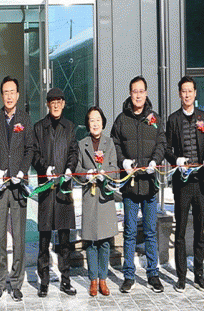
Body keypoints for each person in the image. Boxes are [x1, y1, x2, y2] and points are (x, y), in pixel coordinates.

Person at [110, 76, 165, 294]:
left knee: (150, 232)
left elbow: (161, 143)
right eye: (135, 91)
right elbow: (115, 143)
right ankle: (129, 275)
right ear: (130, 93)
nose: (138, 95)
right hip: (130, 187)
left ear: (146, 93)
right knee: (130, 232)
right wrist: (123, 161)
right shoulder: (121, 119)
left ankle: (153, 274)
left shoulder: (154, 118)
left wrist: (155, 161)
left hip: (149, 184)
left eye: (142, 91)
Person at [0, 76, 34, 302]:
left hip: (17, 185)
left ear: (18, 94)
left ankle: (16, 283)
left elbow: (30, 149)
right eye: (5, 92)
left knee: (19, 237)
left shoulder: (24, 118)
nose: (9, 96)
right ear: (1, 94)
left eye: (12, 92)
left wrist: (22, 171)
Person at [165, 76, 204, 292]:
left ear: (195, 93)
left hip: (200, 182)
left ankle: (199, 275)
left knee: (200, 231)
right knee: (181, 231)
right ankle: (181, 276)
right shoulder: (173, 119)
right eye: (183, 91)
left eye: (190, 91)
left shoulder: (203, 117)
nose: (187, 94)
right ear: (179, 94)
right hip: (182, 184)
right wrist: (176, 160)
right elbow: (167, 149)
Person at [31, 87, 78, 297]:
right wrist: (44, 168)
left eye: (59, 101)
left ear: (64, 104)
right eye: (53, 102)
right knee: (44, 238)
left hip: (64, 189)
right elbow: (34, 154)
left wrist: (69, 168)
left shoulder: (70, 127)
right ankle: (44, 281)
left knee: (65, 239)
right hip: (46, 190)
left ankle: (65, 279)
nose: (56, 105)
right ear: (47, 104)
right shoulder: (39, 127)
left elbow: (74, 152)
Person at [78, 106, 118, 297]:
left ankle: (103, 279)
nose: (95, 124)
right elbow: (77, 168)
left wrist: (106, 173)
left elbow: (115, 168)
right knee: (91, 242)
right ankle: (93, 279)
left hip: (104, 197)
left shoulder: (109, 143)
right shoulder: (82, 144)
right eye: (92, 120)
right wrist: (87, 173)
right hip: (89, 196)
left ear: (103, 123)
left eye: (98, 120)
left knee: (105, 241)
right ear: (88, 123)